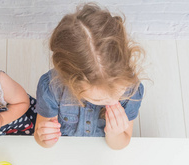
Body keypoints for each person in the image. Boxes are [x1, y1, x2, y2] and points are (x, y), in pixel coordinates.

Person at [34, 3, 145, 150]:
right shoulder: (51, 88)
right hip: (66, 148)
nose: (113, 101)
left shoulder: (131, 91)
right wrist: (45, 138)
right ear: (71, 82)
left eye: (118, 92)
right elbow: (40, 137)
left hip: (103, 148)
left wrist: (114, 134)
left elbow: (120, 144)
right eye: (99, 99)